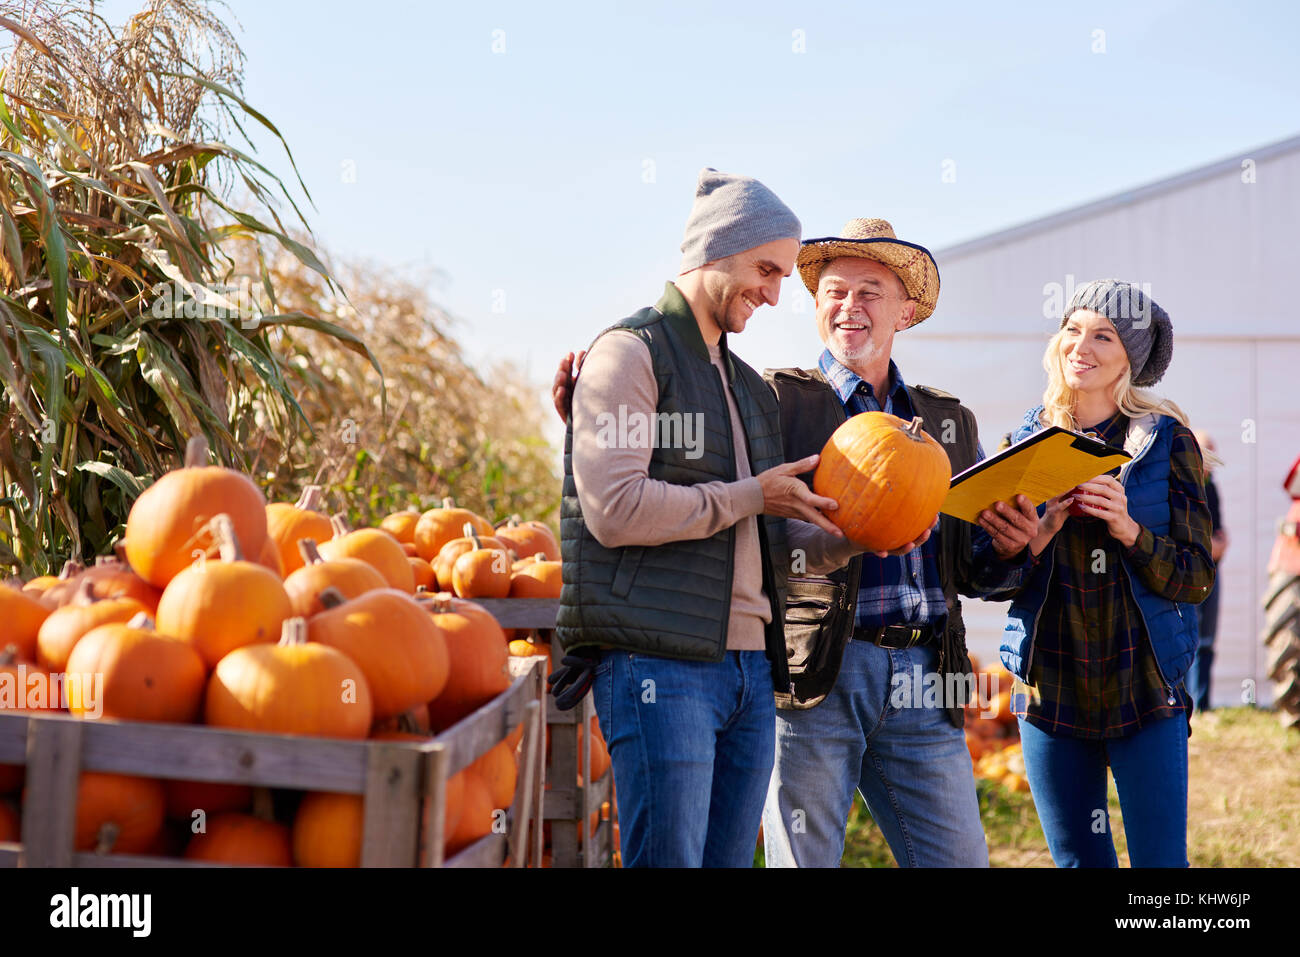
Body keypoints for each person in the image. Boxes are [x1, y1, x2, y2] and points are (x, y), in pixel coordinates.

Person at [550, 169, 882, 867]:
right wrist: (749, 496)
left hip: (747, 675)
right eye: (766, 269)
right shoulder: (630, 353)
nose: (773, 291)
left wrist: (849, 538)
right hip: (658, 664)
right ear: (713, 250)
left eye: (783, 276)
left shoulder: (750, 390)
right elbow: (614, 510)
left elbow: (768, 537)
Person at [759, 219, 1041, 868]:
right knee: (803, 862)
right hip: (816, 671)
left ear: (904, 312)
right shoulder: (779, 402)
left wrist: (1011, 546)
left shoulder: (946, 420)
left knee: (959, 858)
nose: (848, 306)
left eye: (869, 292)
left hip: (925, 671)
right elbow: (750, 542)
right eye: (834, 291)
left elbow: (972, 569)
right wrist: (847, 535)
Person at [992, 279, 1215, 868]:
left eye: (1103, 335)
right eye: (1072, 329)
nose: (1080, 346)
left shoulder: (1167, 444)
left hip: (1142, 685)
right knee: (1077, 861)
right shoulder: (1024, 442)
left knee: (1160, 866)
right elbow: (990, 577)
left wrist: (1130, 531)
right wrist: (1035, 540)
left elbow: (1195, 578)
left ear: (1129, 359)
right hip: (1051, 686)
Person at [1188, 430, 1228, 711]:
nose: (1211, 461)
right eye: (1206, 453)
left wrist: (1222, 541)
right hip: (1192, 572)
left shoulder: (1211, 486)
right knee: (1192, 639)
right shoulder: (1185, 486)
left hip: (1213, 570)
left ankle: (1203, 704)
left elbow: (1218, 526)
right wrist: (1208, 546)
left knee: (1207, 640)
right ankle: (1190, 703)